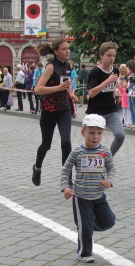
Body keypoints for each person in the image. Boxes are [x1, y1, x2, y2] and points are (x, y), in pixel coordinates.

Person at [61, 114, 116, 263]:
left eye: (99, 133)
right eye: (91, 133)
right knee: (85, 226)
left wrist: (109, 181)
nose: (95, 137)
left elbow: (112, 169)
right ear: (83, 132)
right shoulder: (77, 152)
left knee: (109, 220)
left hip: (99, 196)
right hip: (81, 196)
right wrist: (66, 187)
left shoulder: (105, 152)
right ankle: (84, 253)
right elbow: (66, 170)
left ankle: (87, 226)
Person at [32, 38, 78, 186]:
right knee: (46, 144)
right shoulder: (50, 67)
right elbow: (38, 90)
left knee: (66, 141)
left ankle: (67, 179)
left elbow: (65, 84)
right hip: (49, 110)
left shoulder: (67, 66)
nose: (67, 51)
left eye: (68, 48)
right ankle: (37, 167)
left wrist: (71, 93)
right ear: (56, 51)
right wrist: (58, 89)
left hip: (64, 109)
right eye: (64, 49)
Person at [86, 41, 124, 156]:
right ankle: (90, 161)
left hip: (111, 109)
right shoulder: (96, 71)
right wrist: (107, 81)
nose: (111, 58)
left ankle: (108, 158)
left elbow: (112, 87)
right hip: (96, 111)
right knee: (93, 141)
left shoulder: (115, 71)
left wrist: (116, 94)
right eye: (109, 55)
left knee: (120, 135)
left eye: (113, 56)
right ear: (101, 55)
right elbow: (91, 93)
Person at [126, 60, 135, 129]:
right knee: (131, 107)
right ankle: (133, 121)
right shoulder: (130, 73)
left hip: (134, 91)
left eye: (128, 67)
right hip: (130, 91)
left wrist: (130, 78)